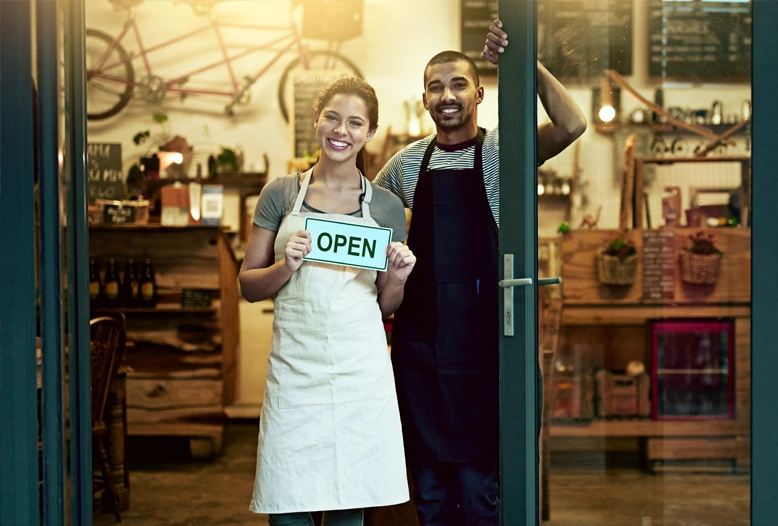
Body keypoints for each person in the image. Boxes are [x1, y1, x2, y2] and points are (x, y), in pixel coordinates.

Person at [374, 19, 587, 526]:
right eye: (435, 86)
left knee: (478, 490)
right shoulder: (404, 166)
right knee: (427, 490)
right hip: (423, 350)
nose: (446, 95)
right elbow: (363, 213)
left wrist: (524, 62)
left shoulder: (503, 152)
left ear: (480, 93)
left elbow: (573, 124)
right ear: (424, 100)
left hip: (487, 346)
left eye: (458, 84)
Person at [241, 76, 416, 526]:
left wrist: (396, 277)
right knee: (286, 504)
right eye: (333, 118)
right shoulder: (280, 194)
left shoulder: (386, 207)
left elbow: (385, 306)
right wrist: (286, 266)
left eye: (355, 122)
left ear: (369, 132)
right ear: (316, 121)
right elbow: (247, 285)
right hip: (295, 373)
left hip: (359, 373)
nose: (342, 130)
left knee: (349, 505)